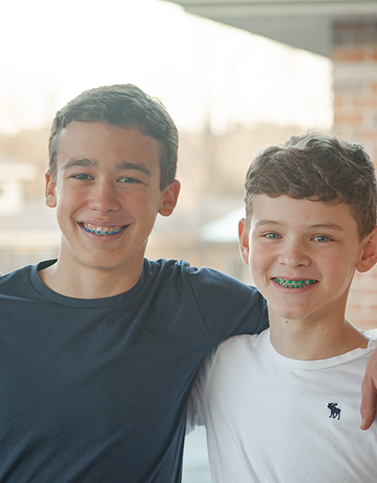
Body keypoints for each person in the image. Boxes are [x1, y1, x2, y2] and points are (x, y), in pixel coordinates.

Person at [0, 84, 268, 483]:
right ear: (51, 187)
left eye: (129, 179)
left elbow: (309, 323)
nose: (103, 200)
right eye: (82, 174)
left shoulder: (193, 301)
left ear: (168, 197)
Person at [187, 132, 377, 482]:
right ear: (245, 242)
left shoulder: (372, 379)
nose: (292, 257)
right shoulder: (218, 363)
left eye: (321, 237)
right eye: (272, 235)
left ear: (367, 250)